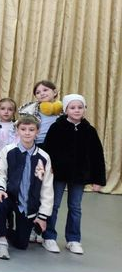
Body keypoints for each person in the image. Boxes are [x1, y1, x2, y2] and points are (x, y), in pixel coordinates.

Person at [41, 94, 106, 254]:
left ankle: (73, 239)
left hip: (79, 175)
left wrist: (98, 179)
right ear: (65, 110)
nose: (76, 110)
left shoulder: (89, 131)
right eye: (72, 107)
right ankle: (48, 237)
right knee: (53, 205)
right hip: (58, 174)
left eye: (80, 107)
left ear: (85, 109)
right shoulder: (57, 128)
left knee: (75, 207)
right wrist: (47, 169)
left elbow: (97, 156)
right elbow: (47, 150)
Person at [0, 115, 54, 260]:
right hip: (10, 198)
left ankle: (0, 227)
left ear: (37, 132)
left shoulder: (44, 157)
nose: (27, 133)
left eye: (31, 130)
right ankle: (2, 240)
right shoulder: (8, 151)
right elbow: (0, 173)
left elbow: (47, 188)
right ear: (17, 131)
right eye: (23, 129)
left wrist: (42, 216)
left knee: (21, 244)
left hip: (28, 205)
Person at [18, 80, 62, 145]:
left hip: (57, 144)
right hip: (36, 144)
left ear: (55, 92)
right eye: (38, 92)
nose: (42, 93)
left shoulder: (64, 111)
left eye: (45, 90)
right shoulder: (30, 111)